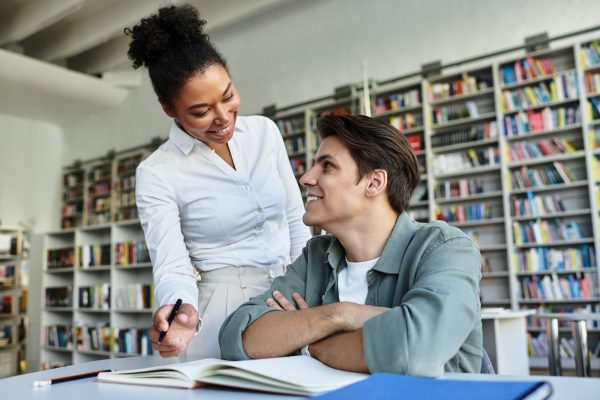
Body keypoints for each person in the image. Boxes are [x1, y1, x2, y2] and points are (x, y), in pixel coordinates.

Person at [219, 115, 483, 376]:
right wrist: (338, 315)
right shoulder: (316, 255)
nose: (306, 178)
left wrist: (304, 342)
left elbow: (413, 349)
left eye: (327, 166)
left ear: (374, 182)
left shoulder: (444, 248)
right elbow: (241, 337)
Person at [126, 4, 311, 358]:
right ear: (169, 109)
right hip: (221, 307)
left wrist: (310, 285)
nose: (223, 117)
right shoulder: (157, 172)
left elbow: (295, 218)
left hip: (289, 294)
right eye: (200, 111)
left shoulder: (264, 133)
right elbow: (172, 264)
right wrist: (181, 311)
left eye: (228, 96)